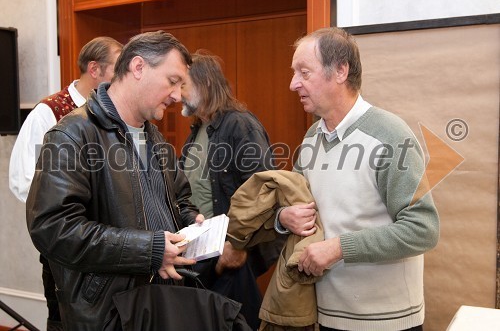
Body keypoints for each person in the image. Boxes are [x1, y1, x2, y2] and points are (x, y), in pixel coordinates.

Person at [26, 30, 204, 330]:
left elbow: (178, 199)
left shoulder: (154, 137)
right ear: (138, 68)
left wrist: (192, 224)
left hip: (157, 303)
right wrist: (149, 250)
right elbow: (53, 228)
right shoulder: (72, 134)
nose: (177, 95)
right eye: (173, 81)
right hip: (107, 313)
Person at [277, 27, 440, 331]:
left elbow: (423, 229)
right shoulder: (312, 137)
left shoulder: (390, 135)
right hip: (325, 315)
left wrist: (339, 248)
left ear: (340, 70)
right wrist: (284, 217)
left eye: (304, 72)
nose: (293, 83)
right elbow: (294, 201)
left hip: (388, 322)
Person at [9, 36, 122, 331]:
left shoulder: (116, 112)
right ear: (94, 69)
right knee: (63, 319)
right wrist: (63, 221)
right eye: (117, 68)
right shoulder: (48, 113)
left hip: (106, 245)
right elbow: (24, 180)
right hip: (66, 249)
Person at [179, 51, 283, 330]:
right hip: (206, 255)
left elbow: (264, 190)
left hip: (231, 252)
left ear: (206, 85)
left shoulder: (240, 124)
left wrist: (237, 245)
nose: (178, 94)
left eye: (183, 85)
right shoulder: (198, 130)